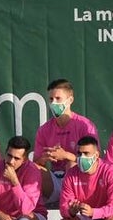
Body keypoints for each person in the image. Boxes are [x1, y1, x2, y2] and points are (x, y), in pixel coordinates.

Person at [33, 78, 98, 211]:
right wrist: (44, 158)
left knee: (72, 164)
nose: (54, 103)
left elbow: (95, 162)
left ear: (70, 100)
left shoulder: (85, 125)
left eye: (58, 99)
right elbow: (37, 162)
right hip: (54, 180)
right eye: (51, 99)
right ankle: (33, 209)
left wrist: (66, 155)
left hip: (78, 181)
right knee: (33, 168)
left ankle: (72, 204)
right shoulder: (44, 129)